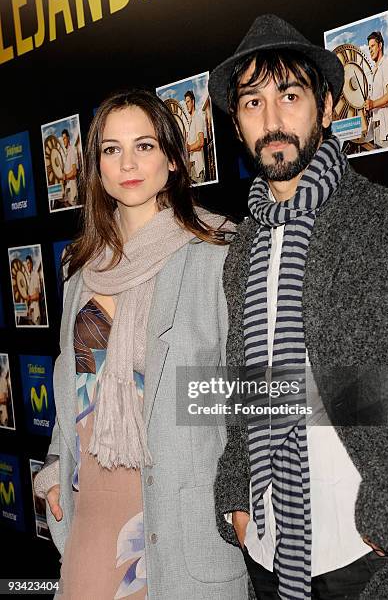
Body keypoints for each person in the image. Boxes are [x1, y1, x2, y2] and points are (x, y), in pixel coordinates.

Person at [208, 14, 388, 600]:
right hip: (268, 542)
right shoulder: (243, 246)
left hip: (365, 549)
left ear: (327, 107)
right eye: (252, 103)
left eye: (290, 96)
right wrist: (237, 490)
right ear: (236, 124)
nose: (272, 121)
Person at [34, 89, 247, 600]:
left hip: (178, 529)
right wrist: (56, 465)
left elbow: (252, 392)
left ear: (173, 159)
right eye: (111, 149)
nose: (127, 163)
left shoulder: (217, 255)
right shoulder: (81, 273)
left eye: (144, 146)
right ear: (96, 168)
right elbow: (75, 399)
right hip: (89, 524)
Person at [363, 31, 388, 149]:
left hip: (386, 131)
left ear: (380, 45)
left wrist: (372, 104)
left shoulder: (387, 65)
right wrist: (369, 108)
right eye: (369, 47)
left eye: (372, 46)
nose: (370, 50)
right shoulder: (374, 72)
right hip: (376, 130)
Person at [184, 90, 206, 183]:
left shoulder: (198, 118)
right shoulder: (190, 122)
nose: (186, 104)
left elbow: (201, 142)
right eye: (185, 103)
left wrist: (188, 148)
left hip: (198, 166)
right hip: (190, 165)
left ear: (193, 102)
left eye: (188, 102)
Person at [61, 129, 79, 205]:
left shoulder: (72, 150)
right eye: (62, 139)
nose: (63, 140)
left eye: (64, 138)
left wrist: (65, 177)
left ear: (68, 138)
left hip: (72, 187)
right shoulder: (67, 153)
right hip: (68, 187)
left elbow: (74, 172)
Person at [25, 254, 41, 325]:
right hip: (31, 314)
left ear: (31, 264)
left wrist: (29, 298)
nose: (27, 265)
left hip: (36, 314)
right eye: (26, 263)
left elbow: (37, 295)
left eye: (28, 263)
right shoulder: (30, 278)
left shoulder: (35, 275)